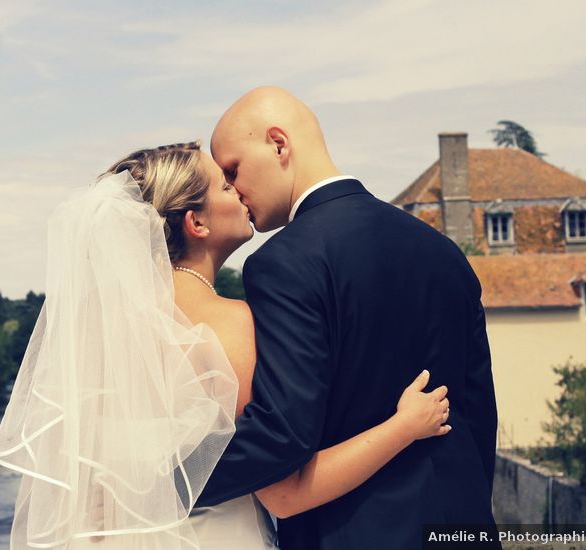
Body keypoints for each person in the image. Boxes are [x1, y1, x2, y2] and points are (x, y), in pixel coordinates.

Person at [0, 139, 453, 549]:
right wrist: (404, 427)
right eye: (225, 185)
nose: (240, 190)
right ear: (197, 222)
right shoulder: (236, 326)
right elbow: (286, 495)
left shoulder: (96, 342)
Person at [196, 87, 500, 550]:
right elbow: (478, 413)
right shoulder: (442, 250)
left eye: (233, 169)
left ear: (279, 145)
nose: (233, 189)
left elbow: (282, 435)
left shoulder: (284, 262)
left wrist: (168, 486)